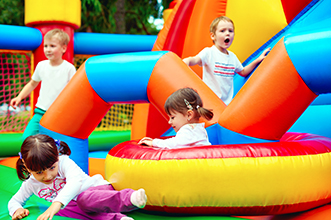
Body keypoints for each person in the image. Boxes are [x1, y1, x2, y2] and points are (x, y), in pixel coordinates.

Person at [8, 134, 147, 220]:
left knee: (82, 200)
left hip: (97, 192)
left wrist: (56, 204)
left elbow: (75, 182)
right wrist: (17, 210)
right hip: (77, 206)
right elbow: (14, 200)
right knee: (65, 210)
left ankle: (129, 198)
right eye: (39, 172)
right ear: (26, 167)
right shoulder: (31, 184)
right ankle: (118, 219)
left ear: (57, 157)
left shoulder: (63, 162)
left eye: (51, 168)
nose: (48, 176)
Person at [182, 16, 270, 105]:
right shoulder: (209, 52)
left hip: (226, 105)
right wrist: (187, 61)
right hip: (209, 102)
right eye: (222, 31)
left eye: (230, 31)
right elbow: (195, 59)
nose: (227, 33)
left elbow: (243, 72)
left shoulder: (232, 57)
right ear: (213, 36)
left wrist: (258, 60)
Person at [10, 29, 76, 141]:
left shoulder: (69, 68)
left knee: (55, 143)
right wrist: (19, 97)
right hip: (41, 112)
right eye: (46, 46)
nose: (48, 50)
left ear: (63, 48)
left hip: (60, 114)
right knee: (26, 139)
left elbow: (73, 92)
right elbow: (32, 84)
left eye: (52, 46)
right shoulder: (41, 66)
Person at [138, 87, 213, 149]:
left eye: (172, 117)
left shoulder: (189, 130)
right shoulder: (199, 129)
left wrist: (154, 143)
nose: (169, 122)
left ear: (189, 115)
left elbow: (175, 144)